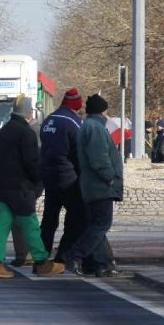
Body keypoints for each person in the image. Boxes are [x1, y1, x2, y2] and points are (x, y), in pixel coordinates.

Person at [0, 96, 65, 279]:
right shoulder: (26, 133)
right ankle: (41, 261)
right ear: (29, 112)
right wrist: (39, 181)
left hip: (3, 185)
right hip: (20, 187)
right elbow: (32, 162)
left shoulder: (4, 131)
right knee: (30, 223)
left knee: (2, 223)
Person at [63, 94, 123, 277]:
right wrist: (110, 177)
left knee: (97, 225)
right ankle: (74, 255)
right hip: (100, 186)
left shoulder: (86, 126)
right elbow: (99, 158)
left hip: (91, 185)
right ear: (103, 111)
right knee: (101, 224)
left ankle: (101, 263)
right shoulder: (96, 128)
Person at [39, 87, 85, 262]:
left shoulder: (49, 120)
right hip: (68, 178)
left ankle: (41, 257)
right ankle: (63, 257)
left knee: (49, 219)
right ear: (76, 103)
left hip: (49, 177)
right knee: (74, 217)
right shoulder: (73, 122)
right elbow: (78, 153)